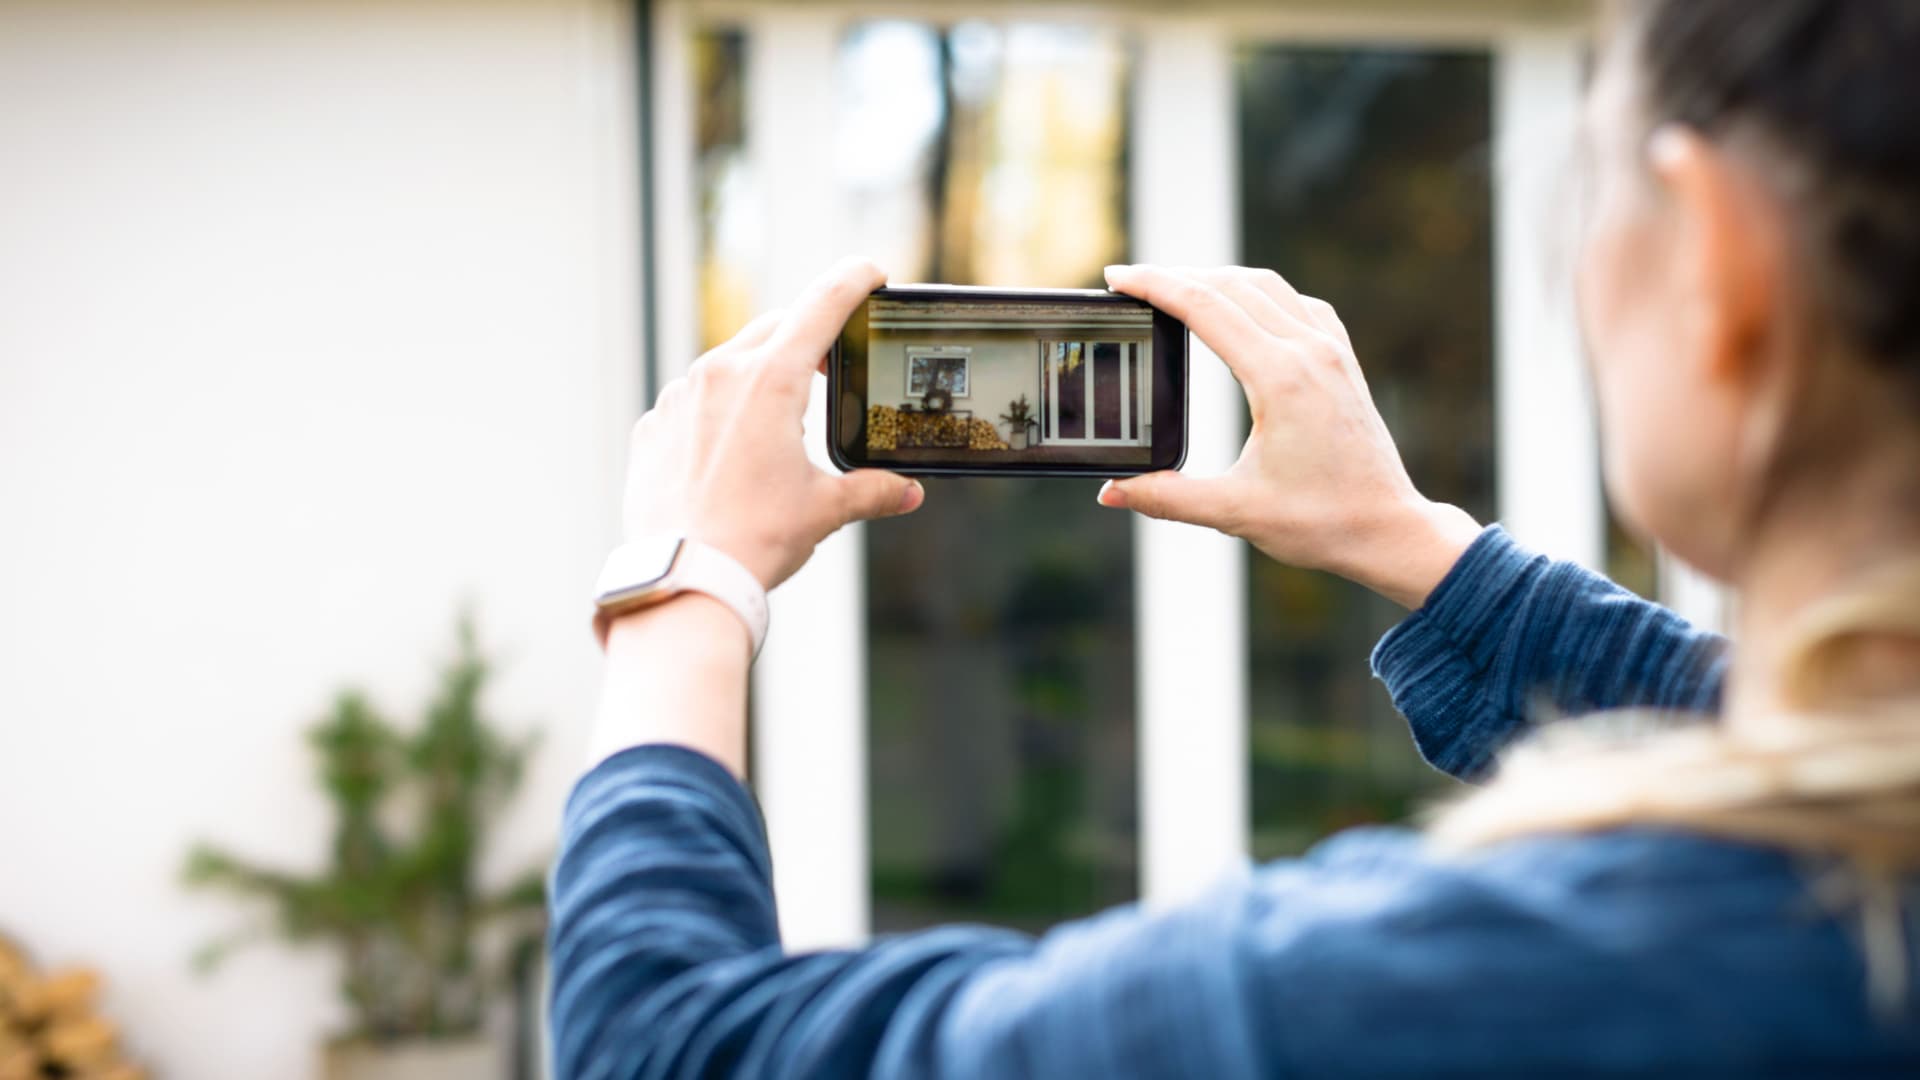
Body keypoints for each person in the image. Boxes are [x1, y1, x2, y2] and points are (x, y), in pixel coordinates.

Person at [549, 0, 1920, 1074]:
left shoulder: (1438, 983)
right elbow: (1772, 736)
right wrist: (1411, 544)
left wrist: (686, 585)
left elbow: (666, 1049)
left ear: (1719, 267)